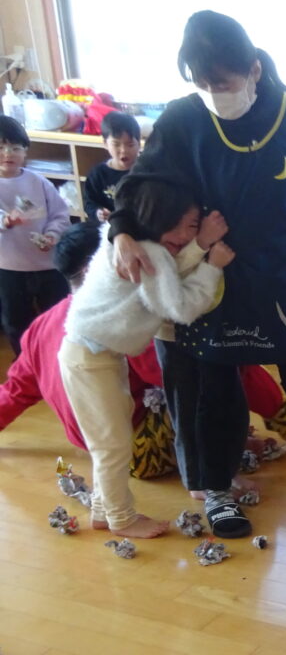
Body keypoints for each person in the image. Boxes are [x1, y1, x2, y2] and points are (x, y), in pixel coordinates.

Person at [109, 10, 286, 537]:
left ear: (253, 70)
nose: (214, 93)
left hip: (280, 267)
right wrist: (121, 232)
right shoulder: (183, 118)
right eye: (203, 83)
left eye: (222, 82)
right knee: (216, 384)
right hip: (214, 272)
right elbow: (140, 182)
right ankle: (217, 491)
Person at [0, 223, 286, 481]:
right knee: (220, 358)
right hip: (139, 449)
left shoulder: (42, 325)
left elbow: (16, 390)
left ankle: (242, 438)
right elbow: (178, 374)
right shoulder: (120, 319)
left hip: (97, 446)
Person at [59, 173, 234, 538]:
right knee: (112, 445)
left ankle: (103, 510)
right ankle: (121, 518)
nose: (184, 236)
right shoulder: (148, 252)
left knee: (112, 438)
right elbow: (181, 306)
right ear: (156, 217)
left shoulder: (140, 244)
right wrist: (212, 265)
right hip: (90, 357)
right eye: (180, 225)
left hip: (97, 355)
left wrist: (199, 245)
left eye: (192, 226)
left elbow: (169, 275)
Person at [0, 115, 70, 356]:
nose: (8, 154)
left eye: (15, 148)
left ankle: (56, 361)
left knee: (57, 317)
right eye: (1, 147)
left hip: (47, 265)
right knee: (16, 322)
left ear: (25, 151)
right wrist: (5, 221)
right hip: (8, 268)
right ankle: (25, 364)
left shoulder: (39, 182)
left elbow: (60, 215)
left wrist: (51, 235)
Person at [83, 112, 141, 224]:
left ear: (139, 144)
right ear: (105, 143)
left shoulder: (146, 171)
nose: (123, 150)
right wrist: (98, 212)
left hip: (139, 226)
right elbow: (89, 202)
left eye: (130, 145)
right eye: (116, 144)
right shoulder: (98, 174)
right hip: (108, 227)